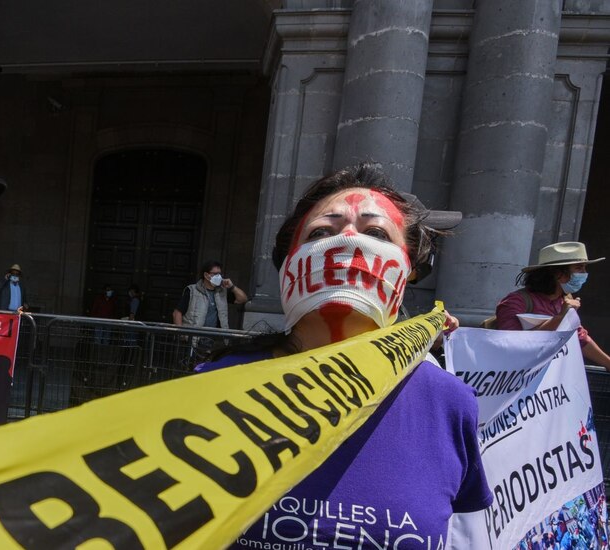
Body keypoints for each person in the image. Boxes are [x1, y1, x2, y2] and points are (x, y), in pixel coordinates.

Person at [197, 164, 490, 546]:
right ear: (287, 264)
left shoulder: (449, 404)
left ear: (409, 267)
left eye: (376, 232)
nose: (349, 240)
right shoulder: (216, 385)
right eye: (322, 232)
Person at [494, 241, 610, 370]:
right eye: (579, 268)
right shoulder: (516, 301)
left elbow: (579, 338)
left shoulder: (564, 300)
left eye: (584, 268)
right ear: (556, 273)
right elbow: (511, 342)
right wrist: (560, 318)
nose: (584, 273)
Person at [172, 260, 248, 329]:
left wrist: (232, 287)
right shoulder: (192, 290)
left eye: (220, 274)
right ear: (206, 275)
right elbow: (177, 313)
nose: (219, 276)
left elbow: (243, 299)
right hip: (193, 337)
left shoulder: (222, 292)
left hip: (213, 338)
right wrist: (181, 334)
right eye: (215, 274)